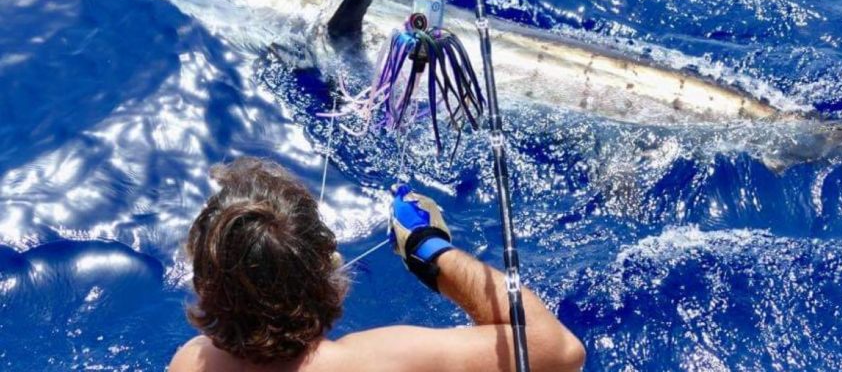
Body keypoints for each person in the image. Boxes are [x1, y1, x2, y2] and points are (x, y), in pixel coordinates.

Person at [168, 157, 586, 372]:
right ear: (330, 270)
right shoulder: (384, 361)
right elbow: (562, 352)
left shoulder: (191, 362)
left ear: (204, 286)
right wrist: (430, 250)